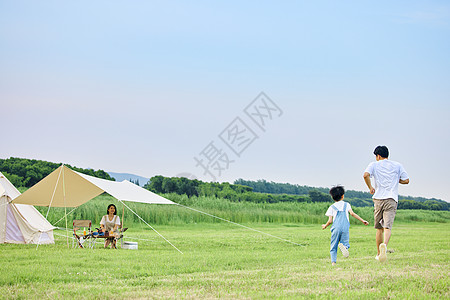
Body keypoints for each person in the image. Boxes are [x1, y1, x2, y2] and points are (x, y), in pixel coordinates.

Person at [363, 145, 409, 263]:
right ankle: (384, 245)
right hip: (391, 198)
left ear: (378, 156)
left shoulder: (373, 164)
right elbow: (406, 180)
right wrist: (396, 179)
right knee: (387, 226)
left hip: (378, 198)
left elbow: (365, 175)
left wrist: (370, 187)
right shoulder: (397, 165)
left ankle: (379, 254)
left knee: (379, 228)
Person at [322, 185, 369, 265]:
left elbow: (330, 221)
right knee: (345, 243)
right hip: (345, 227)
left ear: (333, 197)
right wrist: (362, 220)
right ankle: (345, 247)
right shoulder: (346, 205)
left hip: (336, 228)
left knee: (334, 245)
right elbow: (352, 214)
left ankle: (333, 262)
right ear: (342, 196)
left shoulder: (332, 207)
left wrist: (325, 226)